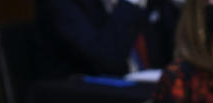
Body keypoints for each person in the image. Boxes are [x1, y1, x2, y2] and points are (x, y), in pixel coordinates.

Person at [39, 0, 181, 77]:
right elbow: (107, 62)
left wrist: (182, 9)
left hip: (149, 99)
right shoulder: (64, 4)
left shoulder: (154, 5)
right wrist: (130, 3)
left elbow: (178, 58)